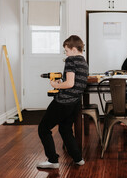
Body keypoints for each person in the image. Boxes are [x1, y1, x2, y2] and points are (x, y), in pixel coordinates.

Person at [37, 35, 89, 169]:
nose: (65, 53)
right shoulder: (83, 61)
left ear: (72, 49)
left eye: (66, 50)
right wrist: (62, 83)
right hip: (75, 102)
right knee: (65, 130)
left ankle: (53, 160)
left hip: (64, 102)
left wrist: (56, 85)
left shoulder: (71, 60)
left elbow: (70, 83)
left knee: (43, 128)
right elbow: (75, 83)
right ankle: (78, 159)